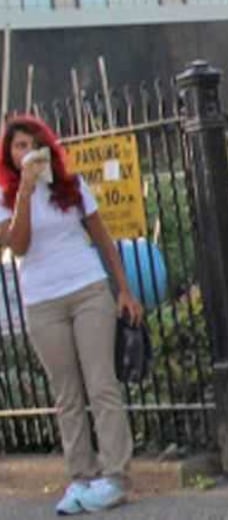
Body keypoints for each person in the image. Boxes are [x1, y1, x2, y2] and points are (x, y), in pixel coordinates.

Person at [0, 115, 144, 514]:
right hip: (42, 300)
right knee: (66, 393)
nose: (26, 152)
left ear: (47, 148)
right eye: (18, 146)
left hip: (87, 290)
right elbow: (20, 246)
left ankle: (115, 475)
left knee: (101, 383)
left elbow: (102, 237)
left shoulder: (73, 186)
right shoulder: (5, 197)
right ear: (9, 156)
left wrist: (124, 290)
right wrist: (24, 195)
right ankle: (80, 477)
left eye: (32, 144)